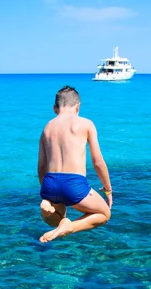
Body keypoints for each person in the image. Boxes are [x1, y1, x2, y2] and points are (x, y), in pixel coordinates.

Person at [38, 86, 112, 243]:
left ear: (54, 108)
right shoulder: (85, 124)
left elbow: (42, 166)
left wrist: (46, 193)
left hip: (50, 183)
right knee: (104, 214)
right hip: (73, 183)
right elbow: (97, 162)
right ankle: (69, 227)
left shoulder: (46, 129)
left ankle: (48, 211)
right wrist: (108, 190)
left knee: (56, 217)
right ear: (78, 107)